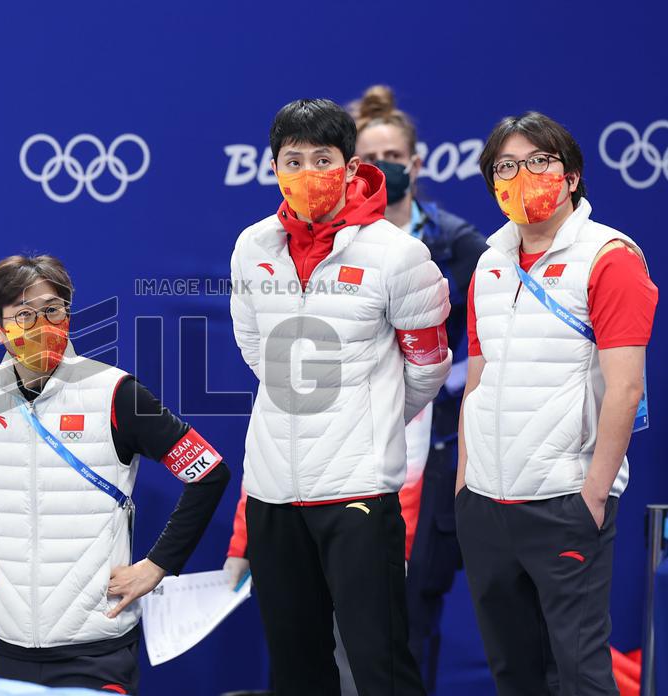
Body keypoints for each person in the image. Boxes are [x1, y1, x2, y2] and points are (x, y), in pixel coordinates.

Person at [0, 254, 230, 693]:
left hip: (97, 646)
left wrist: (158, 566)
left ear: (68, 314)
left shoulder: (116, 392)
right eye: (23, 314)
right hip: (9, 645)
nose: (41, 323)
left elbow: (208, 473)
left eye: (52, 309)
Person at [228, 98, 450, 695]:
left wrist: (366, 417)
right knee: (297, 674)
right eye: (291, 160)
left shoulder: (399, 254)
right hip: (273, 496)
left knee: (381, 671)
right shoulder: (252, 247)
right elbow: (257, 351)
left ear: (351, 168)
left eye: (321, 159)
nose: (306, 173)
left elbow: (427, 368)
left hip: (359, 495)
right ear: (272, 166)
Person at [457, 112, 657, 696]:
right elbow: (478, 375)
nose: (522, 176)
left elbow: (626, 387)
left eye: (538, 162)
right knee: (513, 672)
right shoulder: (489, 264)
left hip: (565, 500)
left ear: (571, 176)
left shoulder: (609, 258)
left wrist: (593, 492)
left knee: (579, 674)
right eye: (505, 166)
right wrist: (467, 482)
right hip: (487, 503)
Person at [354, 84, 488, 690]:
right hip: (354, 444)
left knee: (412, 611)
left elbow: (494, 341)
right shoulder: (336, 242)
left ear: (416, 164)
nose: (383, 170)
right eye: (369, 160)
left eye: (394, 158)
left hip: (433, 451)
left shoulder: (460, 244)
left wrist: (438, 377)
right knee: (349, 613)